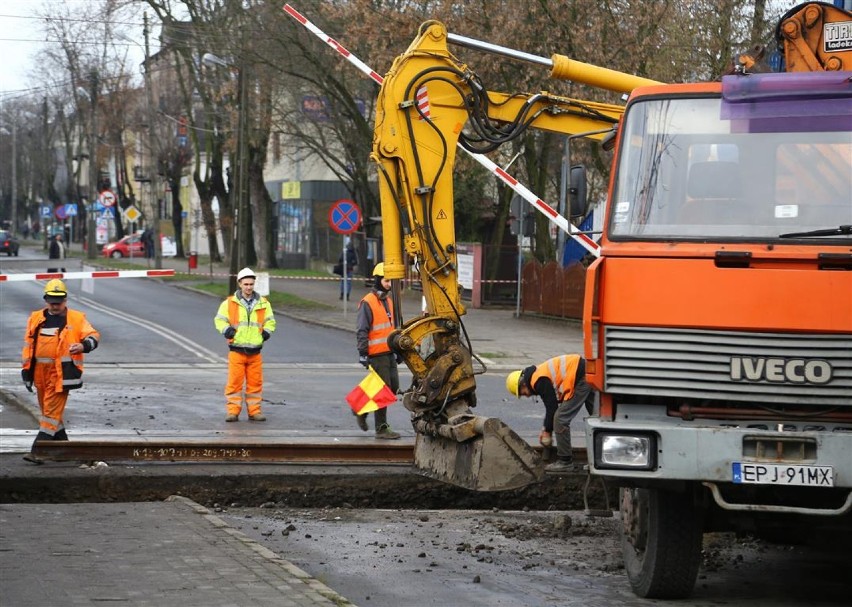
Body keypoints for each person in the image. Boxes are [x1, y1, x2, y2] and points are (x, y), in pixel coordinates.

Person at [20, 279, 100, 464]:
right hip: (40, 373)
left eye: (59, 301)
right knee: (50, 413)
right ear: (46, 300)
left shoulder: (76, 318)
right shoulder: (35, 318)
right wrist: (26, 371)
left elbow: (93, 335)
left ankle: (38, 450)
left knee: (50, 415)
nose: (55, 305)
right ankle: (65, 448)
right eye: (51, 301)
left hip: (62, 374)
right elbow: (28, 346)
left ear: (65, 300)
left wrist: (83, 345)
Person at [506, 354, 594, 474]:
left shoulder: (538, 380)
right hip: (585, 371)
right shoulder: (538, 374)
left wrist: (547, 431)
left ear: (523, 384)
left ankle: (565, 462)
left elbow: (552, 408)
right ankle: (599, 458)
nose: (525, 395)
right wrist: (546, 429)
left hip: (580, 376)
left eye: (522, 393)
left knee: (560, 419)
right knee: (597, 417)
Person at [214, 267, 276, 422]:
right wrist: (227, 330)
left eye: (251, 284)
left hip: (255, 351)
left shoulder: (263, 303)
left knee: (255, 384)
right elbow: (219, 319)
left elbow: (271, 321)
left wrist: (267, 332)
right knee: (234, 383)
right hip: (237, 350)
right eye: (246, 284)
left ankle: (254, 411)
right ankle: (233, 412)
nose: (249, 287)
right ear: (240, 284)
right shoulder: (229, 303)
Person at [355, 262, 401, 439]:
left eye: (391, 281)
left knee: (393, 387)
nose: (389, 284)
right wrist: (363, 352)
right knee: (383, 389)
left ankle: (359, 408)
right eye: (386, 280)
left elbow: (391, 328)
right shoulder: (368, 302)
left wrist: (398, 350)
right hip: (376, 354)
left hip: (389, 352)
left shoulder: (388, 300)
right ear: (378, 280)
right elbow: (362, 329)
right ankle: (381, 427)